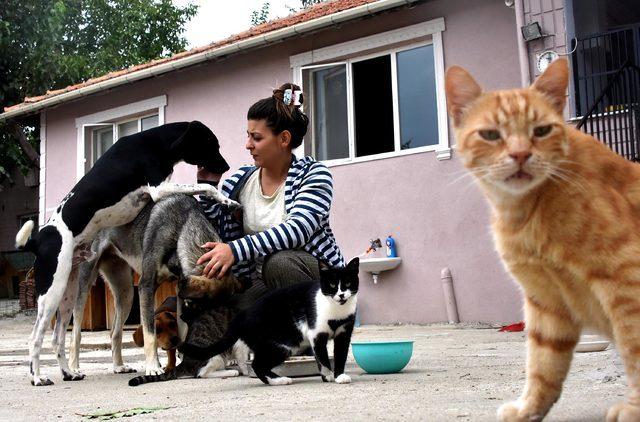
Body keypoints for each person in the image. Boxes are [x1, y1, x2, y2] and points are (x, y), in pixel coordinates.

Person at [197, 83, 345, 308]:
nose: (248, 145)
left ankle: (308, 340)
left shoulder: (313, 174)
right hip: (261, 281)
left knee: (280, 263)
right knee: (230, 313)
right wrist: (207, 187)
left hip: (324, 285)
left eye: (256, 138)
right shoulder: (241, 181)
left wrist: (236, 251)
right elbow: (216, 226)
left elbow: (297, 230)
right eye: (248, 136)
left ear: (283, 139)